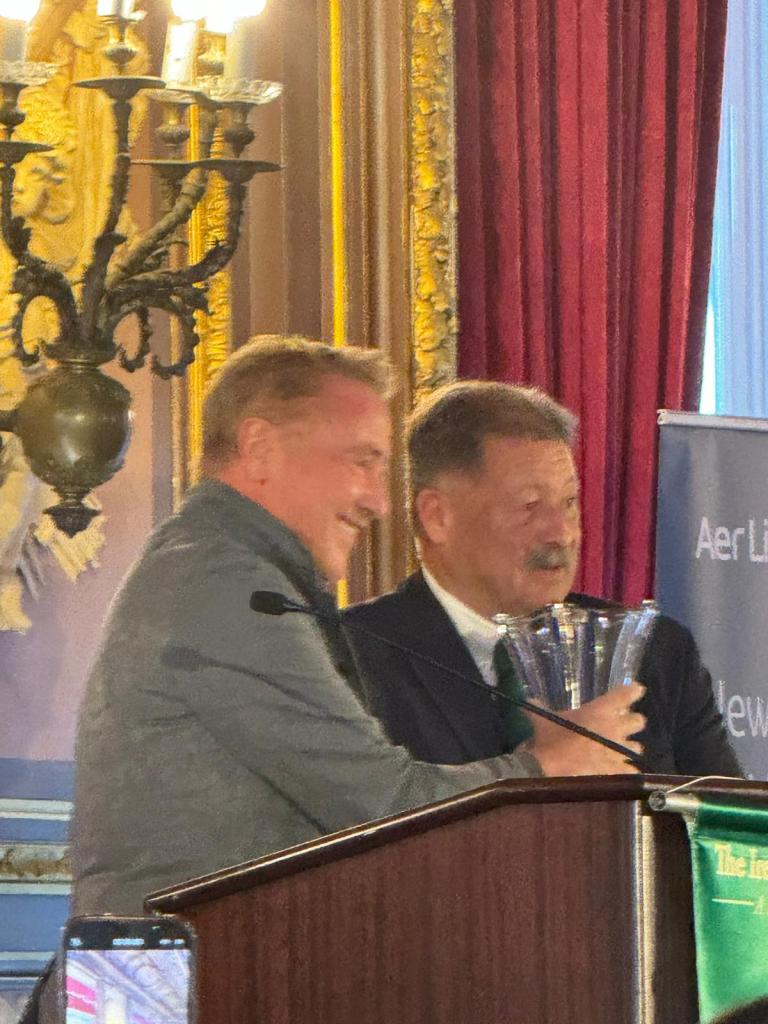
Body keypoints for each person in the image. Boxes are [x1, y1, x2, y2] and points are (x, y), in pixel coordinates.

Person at [69, 339, 645, 919]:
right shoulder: (224, 583)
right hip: (185, 968)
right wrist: (546, 765)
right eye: (361, 461)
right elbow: (381, 804)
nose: (378, 501)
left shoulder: (219, 567)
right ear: (260, 448)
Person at [345, 380, 741, 776]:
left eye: (569, 502)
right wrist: (544, 765)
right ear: (437, 517)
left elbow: (726, 814)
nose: (562, 534)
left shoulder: (653, 652)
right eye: (530, 506)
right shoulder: (349, 656)